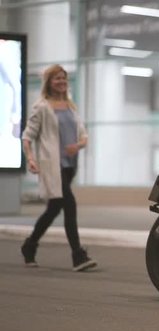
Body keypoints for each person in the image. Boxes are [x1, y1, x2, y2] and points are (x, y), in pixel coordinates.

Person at [20, 64, 97, 272]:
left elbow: (83, 134)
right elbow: (28, 136)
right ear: (49, 82)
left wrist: (78, 145)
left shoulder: (71, 107)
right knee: (69, 205)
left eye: (64, 78)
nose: (62, 81)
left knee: (54, 209)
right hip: (52, 166)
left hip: (69, 165)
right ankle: (78, 255)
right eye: (57, 78)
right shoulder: (42, 107)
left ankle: (29, 245)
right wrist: (31, 159)